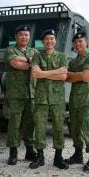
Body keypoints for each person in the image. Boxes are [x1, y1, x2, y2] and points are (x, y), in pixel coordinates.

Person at [29, 29, 69, 169]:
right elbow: (35, 74)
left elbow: (63, 77)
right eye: (46, 39)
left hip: (57, 99)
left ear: (55, 41)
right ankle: (40, 157)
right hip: (41, 99)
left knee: (58, 128)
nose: (49, 41)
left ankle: (58, 158)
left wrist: (43, 73)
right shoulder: (37, 56)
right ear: (42, 41)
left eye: (52, 38)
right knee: (39, 128)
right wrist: (55, 71)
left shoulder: (62, 57)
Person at [4, 25, 39, 165]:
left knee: (30, 124)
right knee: (14, 124)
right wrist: (31, 61)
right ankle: (13, 153)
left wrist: (27, 61)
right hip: (16, 95)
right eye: (21, 34)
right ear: (16, 36)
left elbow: (37, 67)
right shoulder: (10, 50)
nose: (24, 37)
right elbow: (15, 63)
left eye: (26, 34)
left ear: (29, 37)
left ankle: (30, 151)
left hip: (31, 94)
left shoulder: (34, 51)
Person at [65, 31, 89, 172]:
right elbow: (66, 78)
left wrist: (73, 76)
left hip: (86, 100)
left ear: (86, 43)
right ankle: (78, 155)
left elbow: (85, 76)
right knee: (75, 129)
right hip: (74, 100)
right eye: (75, 42)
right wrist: (74, 76)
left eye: (81, 41)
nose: (78, 44)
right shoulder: (73, 61)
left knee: (88, 128)